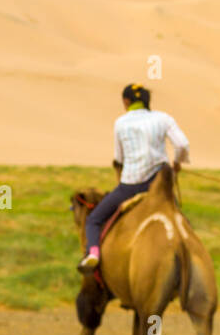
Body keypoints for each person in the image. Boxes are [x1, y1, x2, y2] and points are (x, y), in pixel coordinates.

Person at [78, 83, 190, 272]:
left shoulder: (120, 123)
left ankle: (94, 254)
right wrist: (177, 163)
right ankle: (189, 251)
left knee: (94, 220)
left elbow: (119, 158)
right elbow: (182, 145)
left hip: (130, 186)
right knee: (181, 221)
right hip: (159, 184)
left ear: (126, 102)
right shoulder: (163, 118)